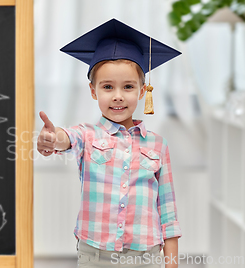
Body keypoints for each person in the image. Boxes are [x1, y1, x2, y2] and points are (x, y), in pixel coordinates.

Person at [37, 19, 182, 268]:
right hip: (95, 256)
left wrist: (172, 262)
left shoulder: (158, 145)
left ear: (142, 90)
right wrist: (52, 139)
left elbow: (167, 209)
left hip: (145, 256)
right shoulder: (88, 135)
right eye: (107, 87)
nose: (117, 95)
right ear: (93, 91)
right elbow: (67, 138)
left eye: (128, 87)